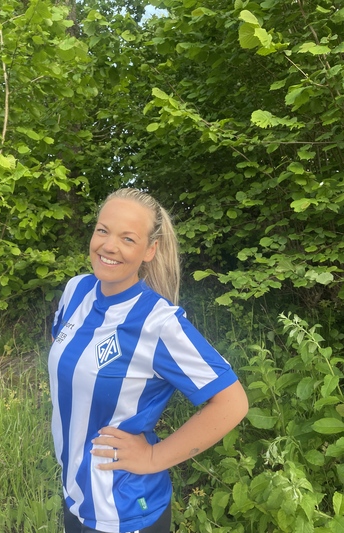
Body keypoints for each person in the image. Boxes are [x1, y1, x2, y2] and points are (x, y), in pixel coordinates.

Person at [48, 188, 249, 533]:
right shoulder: (76, 290)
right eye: (102, 230)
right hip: (76, 497)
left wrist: (154, 457)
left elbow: (232, 403)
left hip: (126, 510)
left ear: (149, 250)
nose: (109, 246)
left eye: (128, 238)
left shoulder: (158, 323)